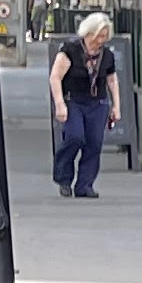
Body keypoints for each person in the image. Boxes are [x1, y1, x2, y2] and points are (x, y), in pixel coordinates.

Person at [49, 11, 122, 200]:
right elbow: (55, 77)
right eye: (98, 36)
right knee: (75, 137)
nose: (101, 40)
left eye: (104, 36)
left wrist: (116, 106)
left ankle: (85, 185)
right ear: (88, 33)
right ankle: (63, 178)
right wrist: (59, 104)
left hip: (98, 103)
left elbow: (112, 80)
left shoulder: (107, 55)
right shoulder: (70, 50)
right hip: (73, 100)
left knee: (94, 143)